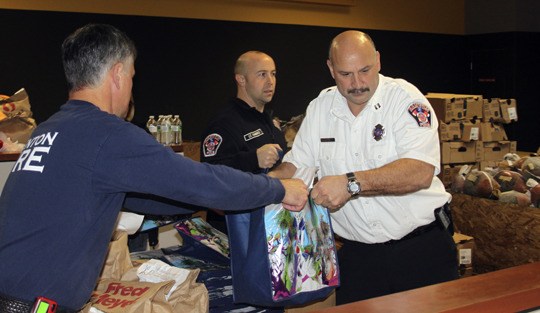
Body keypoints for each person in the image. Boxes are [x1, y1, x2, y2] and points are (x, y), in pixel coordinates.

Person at [0, 24, 308, 312]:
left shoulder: (50, 129)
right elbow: (201, 180)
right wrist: (277, 189)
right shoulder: (106, 133)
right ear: (118, 73)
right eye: (133, 76)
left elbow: (138, 196)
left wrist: (200, 203)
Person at [269, 30, 458, 304]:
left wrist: (350, 184)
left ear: (378, 61)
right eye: (345, 74)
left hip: (421, 250)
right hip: (359, 259)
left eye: (365, 70)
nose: (357, 83)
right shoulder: (321, 107)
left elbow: (420, 171)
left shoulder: (406, 101)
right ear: (331, 68)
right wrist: (269, 182)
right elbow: (299, 163)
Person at [200, 51, 287, 232]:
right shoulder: (224, 122)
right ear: (241, 79)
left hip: (270, 224)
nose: (270, 81)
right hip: (234, 230)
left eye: (273, 73)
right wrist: (253, 159)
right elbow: (210, 175)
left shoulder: (268, 121)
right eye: (262, 74)